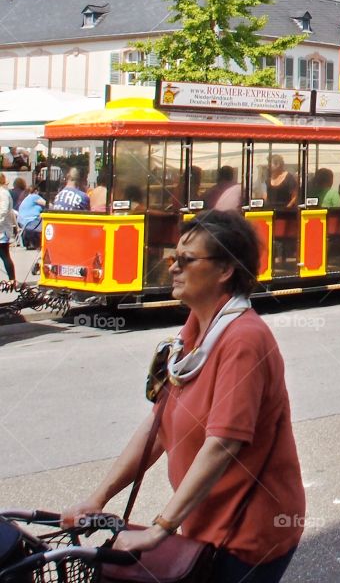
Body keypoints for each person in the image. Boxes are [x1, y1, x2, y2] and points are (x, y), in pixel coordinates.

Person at [62, 211, 305, 582]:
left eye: (186, 260)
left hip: (248, 534)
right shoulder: (193, 331)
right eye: (173, 257)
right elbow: (158, 427)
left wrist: (161, 528)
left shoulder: (244, 339)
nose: (173, 268)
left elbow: (223, 444)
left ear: (225, 270)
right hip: (204, 524)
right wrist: (98, 499)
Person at [17, 186, 46, 250]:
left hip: (22, 221)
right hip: (31, 220)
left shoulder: (27, 198)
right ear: (36, 191)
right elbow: (46, 204)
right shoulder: (34, 196)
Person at [0, 174, 15, 285]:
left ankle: (12, 279)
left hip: (3, 229)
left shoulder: (4, 193)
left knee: (4, 254)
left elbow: (4, 211)